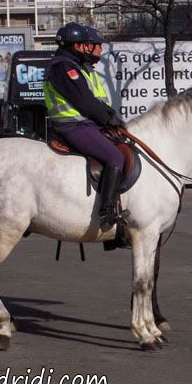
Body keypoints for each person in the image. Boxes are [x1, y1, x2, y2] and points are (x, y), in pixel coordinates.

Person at [43, 22, 127, 232]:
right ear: (76, 46)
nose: (90, 48)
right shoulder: (64, 68)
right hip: (73, 126)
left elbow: (93, 100)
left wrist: (112, 117)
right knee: (115, 157)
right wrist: (108, 120)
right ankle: (107, 212)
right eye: (84, 44)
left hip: (84, 123)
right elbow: (84, 102)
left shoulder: (75, 66)